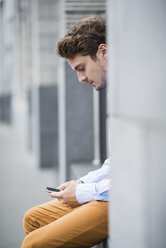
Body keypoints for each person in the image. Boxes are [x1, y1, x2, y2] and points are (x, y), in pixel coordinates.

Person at [21, 16, 111, 248]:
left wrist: (83, 192)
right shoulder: (116, 91)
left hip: (123, 198)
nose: (81, 79)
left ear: (103, 52)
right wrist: (81, 181)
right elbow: (119, 162)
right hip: (109, 186)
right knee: (33, 218)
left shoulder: (137, 91)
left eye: (82, 68)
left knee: (33, 244)